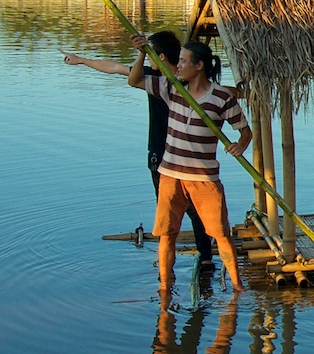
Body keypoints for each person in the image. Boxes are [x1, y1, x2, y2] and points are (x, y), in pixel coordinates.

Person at [63, 33, 215, 268]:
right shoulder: (154, 78)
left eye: (151, 53)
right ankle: (180, 259)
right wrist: (82, 60)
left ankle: (204, 257)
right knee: (173, 210)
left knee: (191, 209)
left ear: (160, 56)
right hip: (163, 154)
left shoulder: (179, 81)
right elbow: (115, 68)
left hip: (180, 153)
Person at [128, 35, 252, 294]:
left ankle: (238, 286)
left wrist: (241, 145)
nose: (178, 66)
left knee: (220, 233)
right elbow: (135, 80)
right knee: (167, 233)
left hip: (204, 177)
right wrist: (142, 53)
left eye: (183, 61)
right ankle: (165, 285)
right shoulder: (172, 88)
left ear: (199, 66)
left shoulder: (222, 97)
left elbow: (244, 130)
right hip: (170, 174)